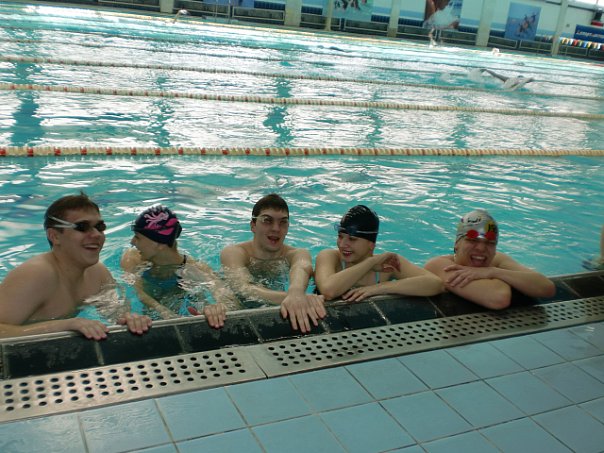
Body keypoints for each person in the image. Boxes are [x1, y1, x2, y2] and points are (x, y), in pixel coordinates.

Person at [0, 193, 152, 340]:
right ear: (54, 236)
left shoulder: (97, 273)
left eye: (100, 227)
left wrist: (131, 320)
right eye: (82, 227)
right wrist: (63, 325)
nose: (96, 234)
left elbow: (116, 313)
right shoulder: (36, 274)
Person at [220, 193, 326, 333]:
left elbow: (301, 269)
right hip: (238, 307)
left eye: (283, 222)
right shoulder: (235, 252)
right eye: (267, 220)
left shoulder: (297, 254)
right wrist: (295, 298)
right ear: (253, 225)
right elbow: (243, 288)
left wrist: (296, 291)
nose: (276, 228)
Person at [121, 205, 239, 329]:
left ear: (159, 243)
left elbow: (229, 300)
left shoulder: (195, 268)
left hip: (180, 303)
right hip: (151, 315)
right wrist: (162, 311)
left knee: (200, 301)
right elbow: (134, 291)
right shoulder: (132, 258)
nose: (132, 242)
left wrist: (217, 308)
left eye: (138, 237)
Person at [425, 209, 556, 310]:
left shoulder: (496, 260)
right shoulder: (439, 265)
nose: (481, 248)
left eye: (490, 243)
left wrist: (493, 272)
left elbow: (547, 288)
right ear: (457, 244)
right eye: (473, 240)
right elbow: (499, 298)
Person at [314, 205, 444, 302]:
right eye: (340, 236)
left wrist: (381, 288)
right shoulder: (330, 257)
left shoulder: (387, 265)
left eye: (352, 239)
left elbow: (436, 284)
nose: (342, 244)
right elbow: (328, 291)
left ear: (371, 244)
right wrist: (370, 262)